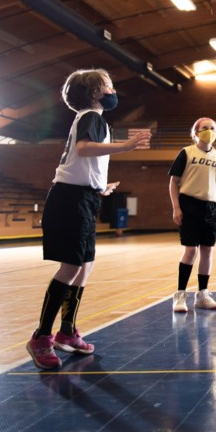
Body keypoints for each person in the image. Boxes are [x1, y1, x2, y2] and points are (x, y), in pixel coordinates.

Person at [26, 69, 151, 371]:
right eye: (108, 85)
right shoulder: (91, 116)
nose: (112, 90)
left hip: (83, 197)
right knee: (70, 267)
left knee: (85, 265)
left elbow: (79, 160)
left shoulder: (93, 119)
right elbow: (83, 150)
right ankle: (41, 337)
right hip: (70, 199)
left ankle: (66, 331)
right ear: (95, 92)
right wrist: (125, 145)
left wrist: (98, 186)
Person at [168, 117, 216, 312]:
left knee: (207, 251)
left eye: (212, 128)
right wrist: (176, 207)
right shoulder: (186, 152)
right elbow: (173, 182)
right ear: (196, 131)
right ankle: (180, 295)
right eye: (204, 128)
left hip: (210, 207)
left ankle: (202, 294)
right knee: (190, 250)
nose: (208, 130)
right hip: (189, 204)